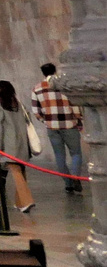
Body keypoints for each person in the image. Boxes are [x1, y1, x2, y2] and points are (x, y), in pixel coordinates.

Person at [33, 62, 84, 193]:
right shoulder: (65, 86)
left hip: (52, 127)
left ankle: (68, 183)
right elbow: (75, 105)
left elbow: (36, 111)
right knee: (76, 153)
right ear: (55, 71)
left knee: (59, 155)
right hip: (69, 124)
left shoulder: (37, 88)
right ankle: (75, 176)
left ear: (43, 73)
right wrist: (79, 118)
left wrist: (45, 120)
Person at [0, 79, 37, 212]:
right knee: (21, 171)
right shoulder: (18, 103)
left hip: (9, 144)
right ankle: (20, 202)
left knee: (16, 172)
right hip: (22, 142)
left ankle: (27, 201)